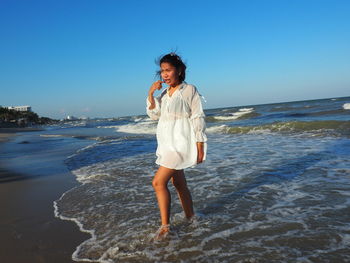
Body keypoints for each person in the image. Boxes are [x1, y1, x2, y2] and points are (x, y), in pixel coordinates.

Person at [146, 52, 207, 239]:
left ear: (179, 70)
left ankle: (165, 226)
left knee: (158, 182)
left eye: (168, 70)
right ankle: (191, 218)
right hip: (166, 143)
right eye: (162, 71)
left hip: (181, 142)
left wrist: (200, 145)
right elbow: (155, 115)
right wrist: (151, 93)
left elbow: (197, 117)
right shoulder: (164, 94)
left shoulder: (189, 90)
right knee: (179, 183)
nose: (164, 74)